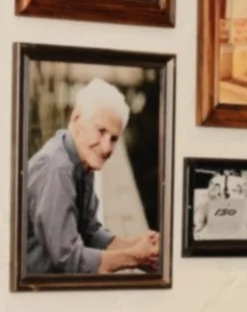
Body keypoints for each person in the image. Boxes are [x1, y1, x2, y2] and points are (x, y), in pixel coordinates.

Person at [24, 78, 160, 277]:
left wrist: (135, 244)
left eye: (114, 138)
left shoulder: (81, 160)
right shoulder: (56, 168)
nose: (106, 148)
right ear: (76, 117)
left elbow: (90, 233)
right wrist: (134, 257)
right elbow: (70, 260)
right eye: (101, 131)